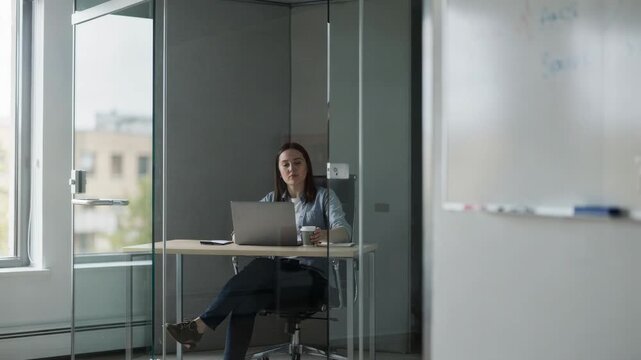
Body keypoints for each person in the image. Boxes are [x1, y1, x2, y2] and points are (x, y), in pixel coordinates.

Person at [166, 142, 351, 360]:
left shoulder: (324, 197)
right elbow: (244, 231)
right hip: (276, 279)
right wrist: (240, 235)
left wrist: (324, 235)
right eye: (286, 165)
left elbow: (345, 232)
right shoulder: (272, 200)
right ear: (280, 172)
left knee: (263, 265)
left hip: (311, 280)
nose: (292, 168)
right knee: (245, 301)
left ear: (307, 166)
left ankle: (200, 325)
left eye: (297, 163)